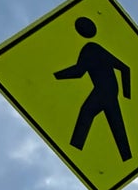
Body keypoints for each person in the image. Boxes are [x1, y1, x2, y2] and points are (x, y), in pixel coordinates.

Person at [54, 16, 132, 161]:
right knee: (116, 125)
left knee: (87, 113)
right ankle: (127, 157)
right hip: (111, 91)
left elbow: (78, 72)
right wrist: (125, 94)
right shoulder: (97, 49)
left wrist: (55, 76)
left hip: (103, 91)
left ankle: (75, 150)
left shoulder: (90, 49)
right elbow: (125, 68)